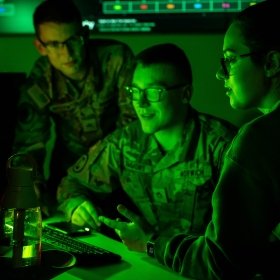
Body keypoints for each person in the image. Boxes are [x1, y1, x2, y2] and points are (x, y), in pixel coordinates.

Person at [106, 1, 280, 279]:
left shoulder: (251, 140)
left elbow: (218, 263)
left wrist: (151, 243)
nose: (220, 73)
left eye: (230, 59)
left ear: (271, 63)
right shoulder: (123, 140)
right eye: (134, 91)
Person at [57, 43, 236, 245]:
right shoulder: (125, 141)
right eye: (134, 90)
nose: (140, 103)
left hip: (201, 267)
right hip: (146, 264)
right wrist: (77, 205)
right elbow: (72, 182)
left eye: (153, 92)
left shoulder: (222, 145)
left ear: (185, 94)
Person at [12, 0, 136, 216]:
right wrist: (31, 188)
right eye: (54, 44)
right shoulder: (41, 79)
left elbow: (133, 129)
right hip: (69, 183)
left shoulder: (116, 59)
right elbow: (30, 144)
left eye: (73, 40)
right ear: (41, 47)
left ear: (85, 35)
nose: (67, 53)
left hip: (122, 176)